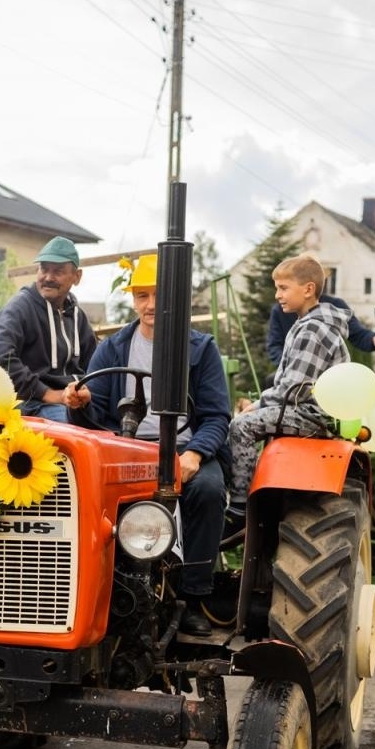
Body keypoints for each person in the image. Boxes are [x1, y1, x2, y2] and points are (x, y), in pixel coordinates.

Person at [62, 255, 231, 636]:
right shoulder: (114, 348)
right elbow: (94, 416)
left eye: (159, 295)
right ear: (133, 300)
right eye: (142, 295)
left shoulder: (201, 349)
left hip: (186, 446)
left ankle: (193, 595)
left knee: (206, 489)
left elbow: (217, 415)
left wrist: (195, 454)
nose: (150, 305)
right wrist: (80, 403)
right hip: (128, 450)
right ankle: (98, 591)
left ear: (177, 300)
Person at [227, 255, 349, 509]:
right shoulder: (308, 324)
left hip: (313, 415)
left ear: (308, 289)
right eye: (277, 288)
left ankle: (239, 505)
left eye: (283, 288)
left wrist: (258, 404)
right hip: (307, 411)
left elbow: (295, 390)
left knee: (241, 426)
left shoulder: (313, 330)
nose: (277, 295)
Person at [0, 236, 96, 421]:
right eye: (44, 269)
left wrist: (83, 392)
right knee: (75, 429)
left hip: (71, 403)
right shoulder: (20, 307)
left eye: (58, 271)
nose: (48, 278)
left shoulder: (78, 317)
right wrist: (48, 393)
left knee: (114, 427)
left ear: (77, 276)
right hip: (31, 403)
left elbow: (94, 363)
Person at [265, 298, 375, 364]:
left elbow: (357, 333)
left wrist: (373, 339)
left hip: (330, 374)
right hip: (293, 375)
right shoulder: (280, 310)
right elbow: (274, 346)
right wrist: (292, 364)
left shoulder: (335, 305)